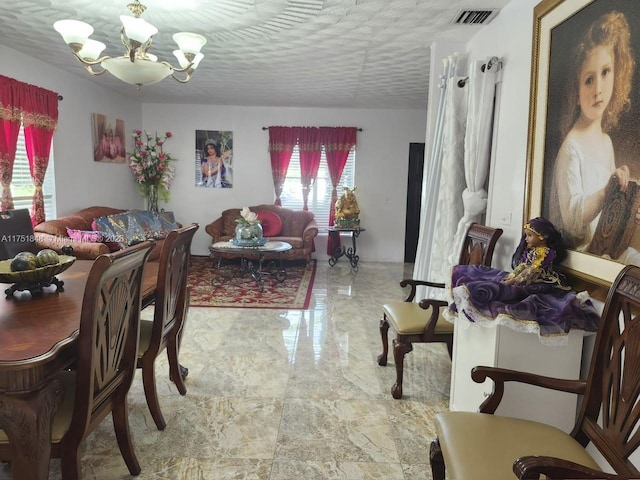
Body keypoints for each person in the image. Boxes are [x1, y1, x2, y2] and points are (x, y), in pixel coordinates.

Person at [549, 11, 639, 264]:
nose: (598, 89)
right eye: (589, 80)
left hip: (607, 250)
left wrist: (628, 203)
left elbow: (610, 211)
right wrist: (605, 192)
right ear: (576, 92)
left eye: (606, 72)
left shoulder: (606, 142)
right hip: (582, 258)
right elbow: (572, 223)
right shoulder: (571, 148)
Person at [446, 218, 600, 345]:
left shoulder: (546, 253)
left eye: (529, 236)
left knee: (513, 292)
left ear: (543, 237)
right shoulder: (531, 251)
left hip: (541, 282)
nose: (526, 239)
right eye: (526, 235)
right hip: (526, 279)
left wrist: (515, 280)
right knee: (492, 279)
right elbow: (522, 266)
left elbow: (533, 270)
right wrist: (512, 276)